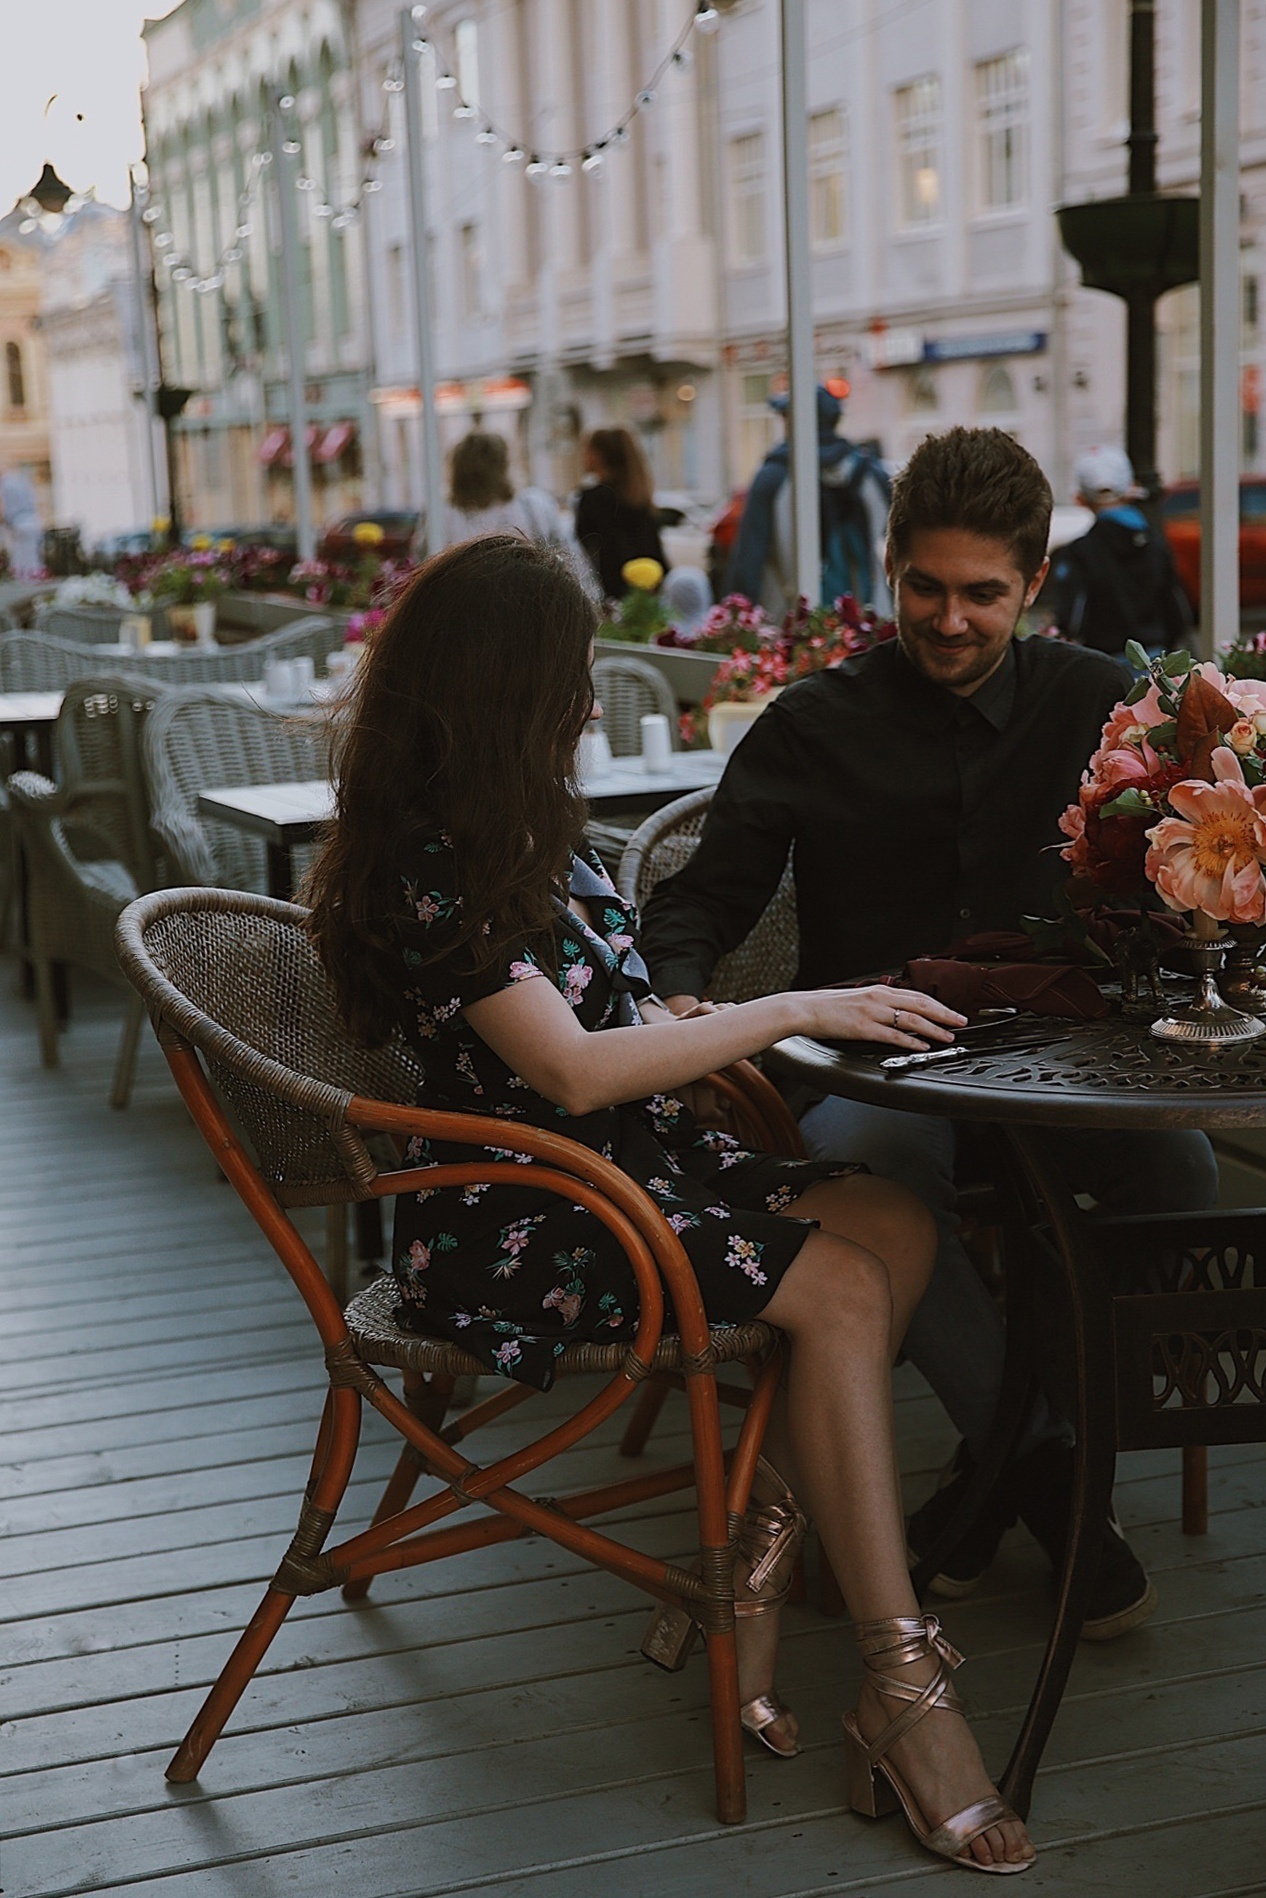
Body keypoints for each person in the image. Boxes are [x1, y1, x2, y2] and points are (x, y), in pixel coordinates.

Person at [307, 533, 1035, 1874]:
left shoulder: (525, 826)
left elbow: (606, 1017)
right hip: (522, 1212)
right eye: (573, 677)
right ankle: (904, 1689)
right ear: (505, 691)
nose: (590, 701)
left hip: (625, 1171)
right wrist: (789, 1004)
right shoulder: (432, 861)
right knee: (839, 1281)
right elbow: (569, 1069)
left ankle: (753, 1560)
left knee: (894, 1217)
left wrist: (678, 1015)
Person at [641, 426, 1219, 1638]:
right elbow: (698, 902)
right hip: (873, 1069)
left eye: (982, 594)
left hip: (1063, 1062)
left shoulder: (1100, 702)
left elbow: (1179, 879)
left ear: (1033, 586)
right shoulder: (813, 719)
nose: (949, 619)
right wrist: (688, 1010)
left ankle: (990, 1464)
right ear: (890, 565)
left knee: (1181, 1167)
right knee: (890, 1176)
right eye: (925, 587)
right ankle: (1051, 1469)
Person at [727, 384, 893, 617]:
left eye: (786, 417)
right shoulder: (870, 473)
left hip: (789, 623)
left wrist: (736, 618)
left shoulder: (774, 477)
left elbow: (749, 559)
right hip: (869, 615)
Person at [1051, 445, 1192, 656]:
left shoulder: (1081, 551)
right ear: (1131, 488)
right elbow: (1177, 607)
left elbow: (1072, 618)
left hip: (1103, 659)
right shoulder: (1154, 543)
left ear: (1081, 499)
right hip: (1154, 657)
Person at [442, 430, 594, 594]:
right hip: (531, 601)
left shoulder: (445, 516)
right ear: (504, 466)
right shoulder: (532, 506)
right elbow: (571, 560)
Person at [574, 427, 669, 601]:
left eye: (587, 450)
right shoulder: (638, 496)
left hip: (609, 594)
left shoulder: (594, 499)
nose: (583, 456)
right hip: (646, 592)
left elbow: (587, 550)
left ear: (599, 455)